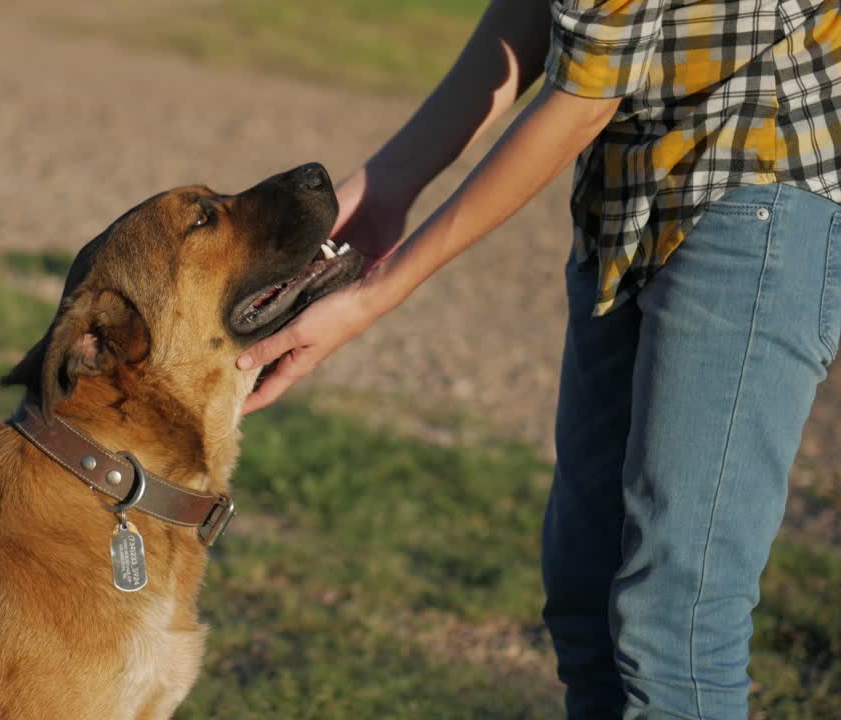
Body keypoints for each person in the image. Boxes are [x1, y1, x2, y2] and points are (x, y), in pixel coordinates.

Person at [237, 1, 841, 718]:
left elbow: (586, 96)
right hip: (626, 184)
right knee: (586, 600)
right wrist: (392, 182)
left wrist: (378, 293)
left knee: (674, 625)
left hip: (761, 180)